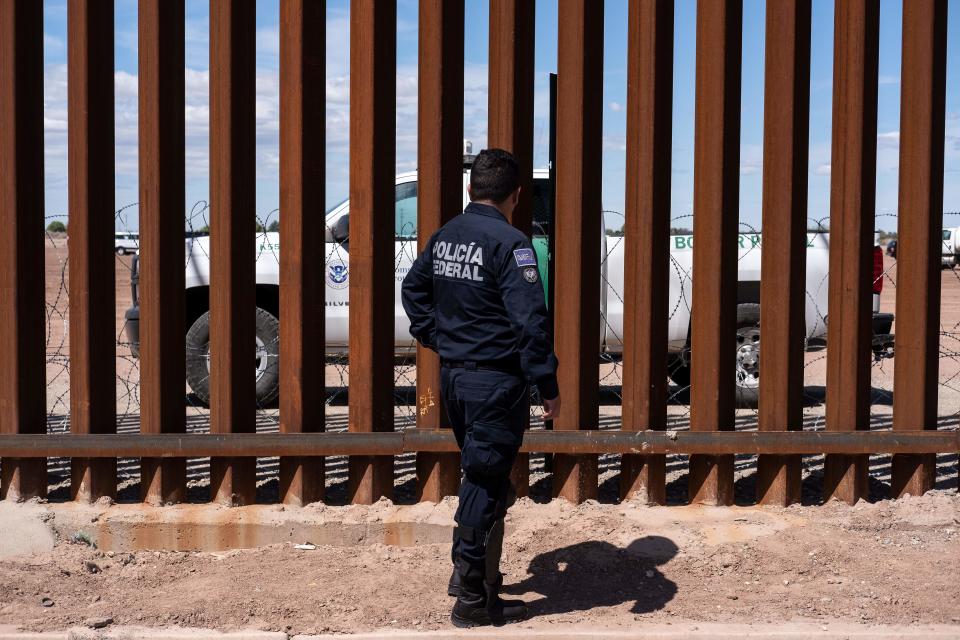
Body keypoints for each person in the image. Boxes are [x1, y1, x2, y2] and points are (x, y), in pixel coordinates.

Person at [401, 148, 561, 628]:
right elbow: (530, 323)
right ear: (517, 194)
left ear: (472, 189)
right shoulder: (511, 244)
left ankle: (468, 578)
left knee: (481, 476)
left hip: (455, 378)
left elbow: (413, 291)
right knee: (487, 483)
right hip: (495, 381)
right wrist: (547, 385)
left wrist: (439, 337)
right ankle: (471, 598)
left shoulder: (447, 235)